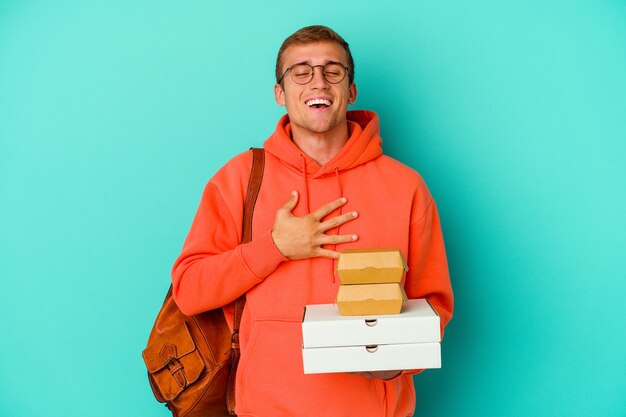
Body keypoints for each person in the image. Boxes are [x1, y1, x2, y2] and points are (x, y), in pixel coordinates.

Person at [172, 25, 453, 417]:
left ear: (350, 91)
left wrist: (400, 359)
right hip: (265, 409)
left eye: (332, 70)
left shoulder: (406, 187)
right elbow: (189, 290)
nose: (317, 81)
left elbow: (435, 305)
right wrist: (275, 248)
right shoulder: (238, 180)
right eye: (300, 72)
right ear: (280, 93)